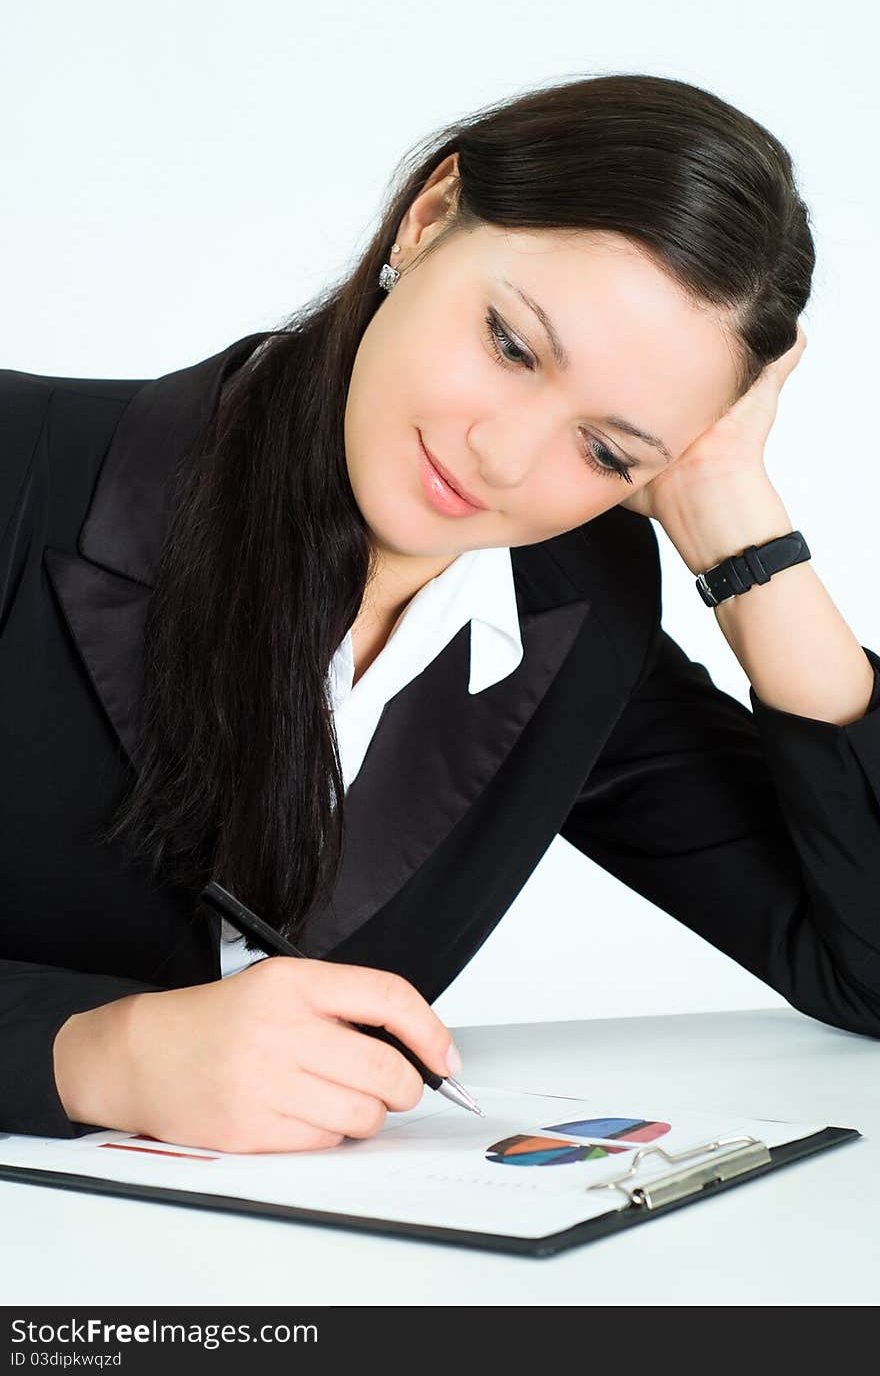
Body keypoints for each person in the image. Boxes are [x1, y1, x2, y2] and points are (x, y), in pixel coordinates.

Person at [2, 73, 878, 1154]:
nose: (502, 457)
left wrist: (743, 535)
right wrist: (96, 1051)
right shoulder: (21, 470)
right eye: (511, 344)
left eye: (608, 450)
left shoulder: (569, 617)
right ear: (426, 218)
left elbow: (865, 965)